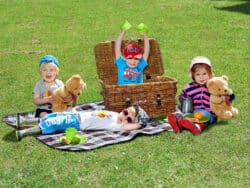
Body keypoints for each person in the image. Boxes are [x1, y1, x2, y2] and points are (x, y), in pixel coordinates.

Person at [16, 104, 150, 141]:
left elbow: (127, 127)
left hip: (76, 124)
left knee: (53, 123)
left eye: (129, 118)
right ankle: (24, 121)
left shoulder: (118, 125)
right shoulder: (116, 114)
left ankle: (25, 132)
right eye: (126, 112)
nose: (125, 116)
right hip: (75, 115)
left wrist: (139, 124)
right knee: (51, 117)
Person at [167, 56, 217, 135]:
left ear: (210, 74)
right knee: (185, 115)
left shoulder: (213, 86)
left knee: (202, 116)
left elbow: (221, 95)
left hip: (208, 113)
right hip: (193, 112)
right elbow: (182, 95)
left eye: (204, 74)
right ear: (193, 75)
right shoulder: (190, 87)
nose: (201, 77)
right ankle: (179, 124)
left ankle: (197, 127)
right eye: (198, 74)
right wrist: (182, 98)